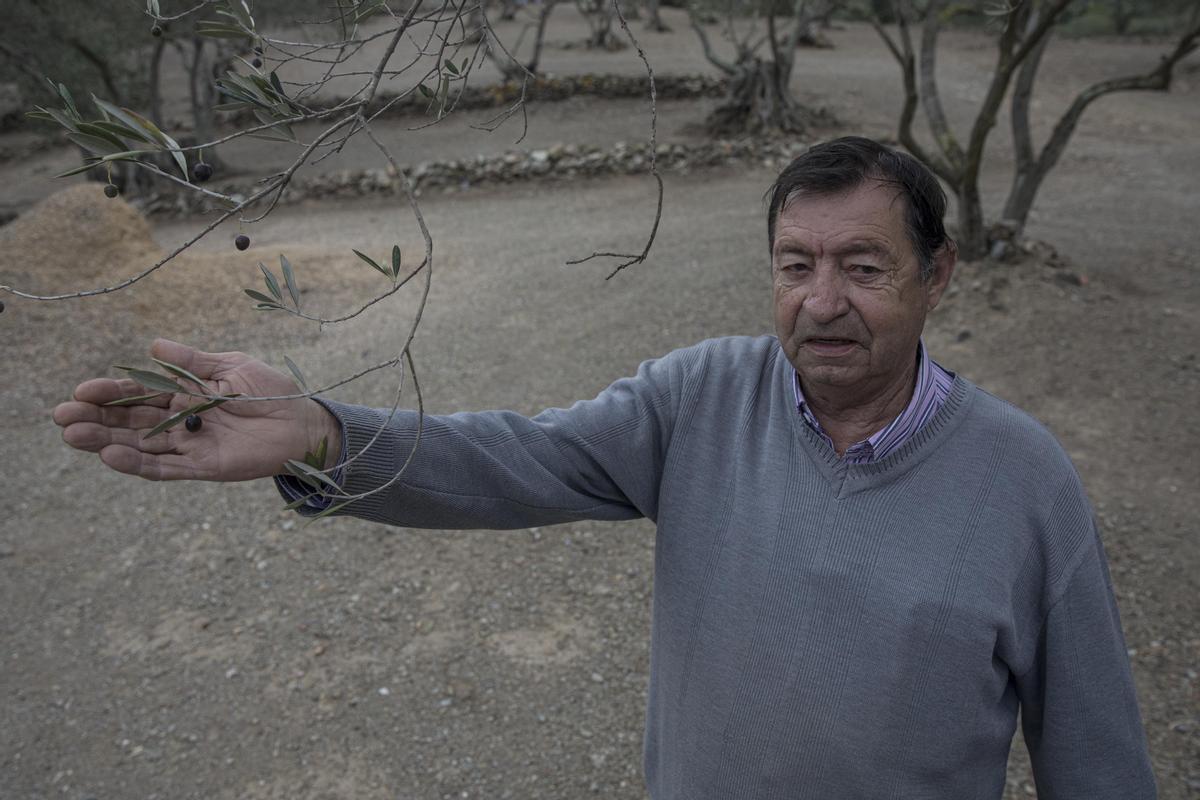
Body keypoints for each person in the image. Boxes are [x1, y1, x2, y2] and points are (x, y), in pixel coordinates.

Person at [52, 137, 1156, 798]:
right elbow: (516, 458)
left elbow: (1098, 760)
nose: (822, 300)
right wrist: (324, 433)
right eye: (796, 264)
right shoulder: (700, 399)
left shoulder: (1026, 484)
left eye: (864, 265)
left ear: (937, 274)